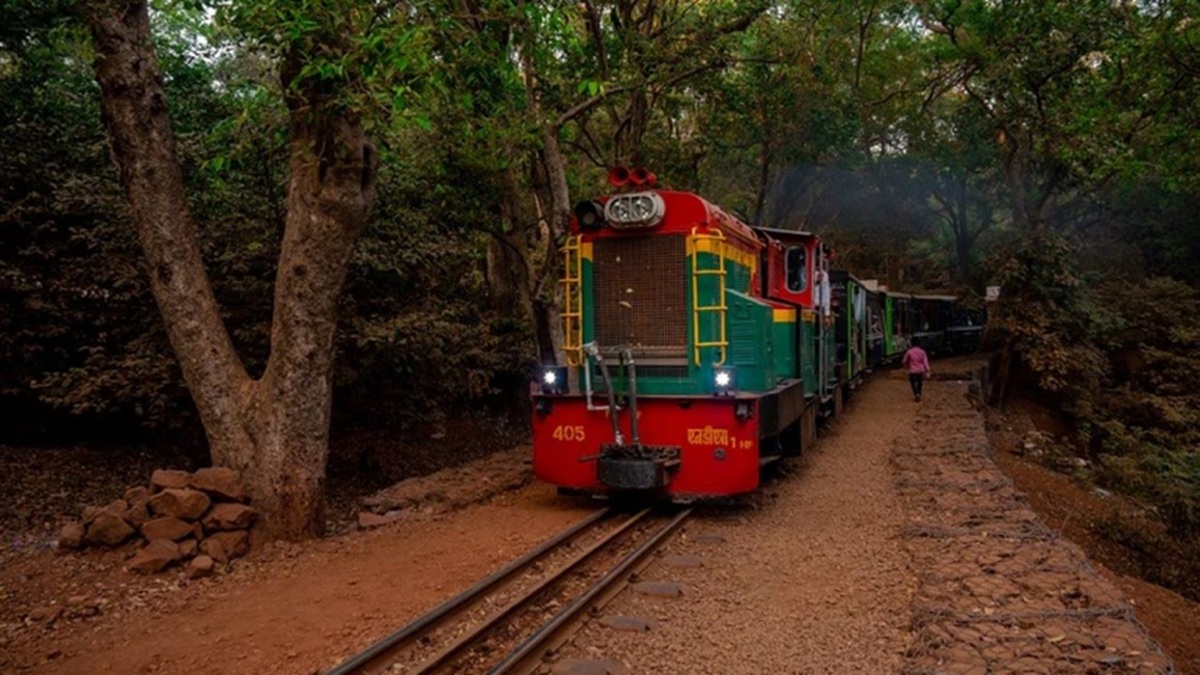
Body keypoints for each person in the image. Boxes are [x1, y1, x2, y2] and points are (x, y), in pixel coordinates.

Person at [901, 337, 931, 402]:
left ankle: (916, 394)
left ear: (911, 343)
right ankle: (919, 393)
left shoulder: (909, 352)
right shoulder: (922, 352)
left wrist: (906, 366)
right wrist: (928, 371)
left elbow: (904, 361)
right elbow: (925, 362)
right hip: (920, 370)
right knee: (920, 383)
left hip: (912, 371)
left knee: (913, 383)